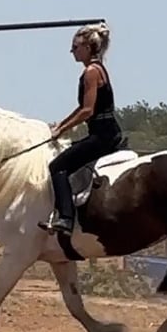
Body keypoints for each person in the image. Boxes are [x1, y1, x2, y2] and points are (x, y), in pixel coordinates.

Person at [38, 22, 124, 236]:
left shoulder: (90, 72)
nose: (72, 52)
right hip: (108, 131)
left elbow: (87, 110)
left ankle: (66, 218)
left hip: (102, 136)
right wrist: (61, 124)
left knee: (57, 166)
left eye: (75, 47)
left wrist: (62, 130)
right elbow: (83, 108)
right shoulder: (99, 69)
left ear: (87, 47)